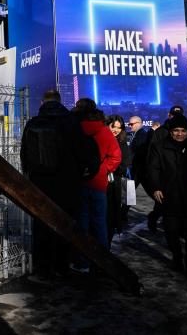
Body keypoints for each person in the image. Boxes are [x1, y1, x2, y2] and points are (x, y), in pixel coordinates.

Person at [20, 89, 87, 276]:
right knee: (65, 225)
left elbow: (25, 155)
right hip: (68, 183)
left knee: (42, 225)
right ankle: (61, 265)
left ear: (43, 103)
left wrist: (29, 177)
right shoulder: (72, 123)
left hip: (40, 183)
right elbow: (81, 152)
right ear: (59, 101)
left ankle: (42, 266)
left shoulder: (33, 124)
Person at [148, 114, 187, 283]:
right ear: (171, 131)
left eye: (183, 131)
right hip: (170, 197)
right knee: (172, 232)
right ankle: (177, 258)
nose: (180, 134)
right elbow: (153, 169)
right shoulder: (159, 147)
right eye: (176, 131)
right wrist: (156, 188)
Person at [71, 98, 121, 273]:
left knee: (81, 224)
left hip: (78, 181)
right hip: (99, 183)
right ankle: (103, 262)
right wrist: (103, 169)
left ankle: (82, 262)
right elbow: (116, 157)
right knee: (100, 223)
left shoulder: (74, 129)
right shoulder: (104, 131)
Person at [147, 105, 185, 232]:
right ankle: (154, 219)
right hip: (164, 175)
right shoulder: (160, 132)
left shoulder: (184, 132)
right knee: (162, 203)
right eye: (174, 115)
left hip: (179, 174)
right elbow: (152, 156)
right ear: (169, 115)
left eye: (179, 116)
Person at [105, 115, 130, 247]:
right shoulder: (101, 139)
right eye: (113, 126)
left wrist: (115, 166)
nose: (116, 130)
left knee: (112, 213)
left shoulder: (122, 142)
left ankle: (107, 244)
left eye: (119, 128)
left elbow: (126, 162)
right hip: (101, 182)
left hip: (116, 182)